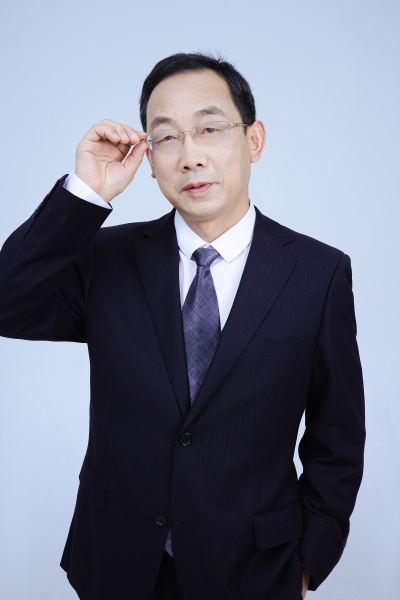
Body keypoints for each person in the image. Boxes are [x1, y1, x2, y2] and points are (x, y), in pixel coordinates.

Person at [0, 52, 365, 600]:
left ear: (254, 140)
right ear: (148, 158)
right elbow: (7, 301)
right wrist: (86, 190)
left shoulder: (318, 273)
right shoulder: (107, 259)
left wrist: (310, 561)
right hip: (118, 562)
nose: (190, 157)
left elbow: (337, 434)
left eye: (210, 129)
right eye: (167, 137)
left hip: (254, 569)